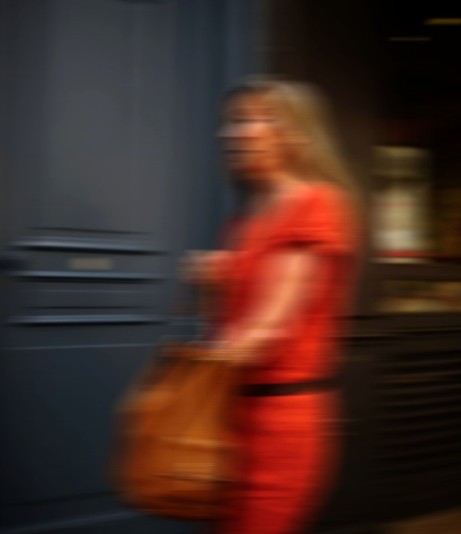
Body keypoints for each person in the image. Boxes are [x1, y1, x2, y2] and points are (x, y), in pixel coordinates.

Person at [182, 78, 364, 534]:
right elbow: (224, 326)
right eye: (231, 122)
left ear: (294, 134)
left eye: (249, 120)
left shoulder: (316, 205)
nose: (231, 133)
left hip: (279, 425)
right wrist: (213, 282)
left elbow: (267, 331)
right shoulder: (244, 223)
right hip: (229, 415)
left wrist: (180, 381)